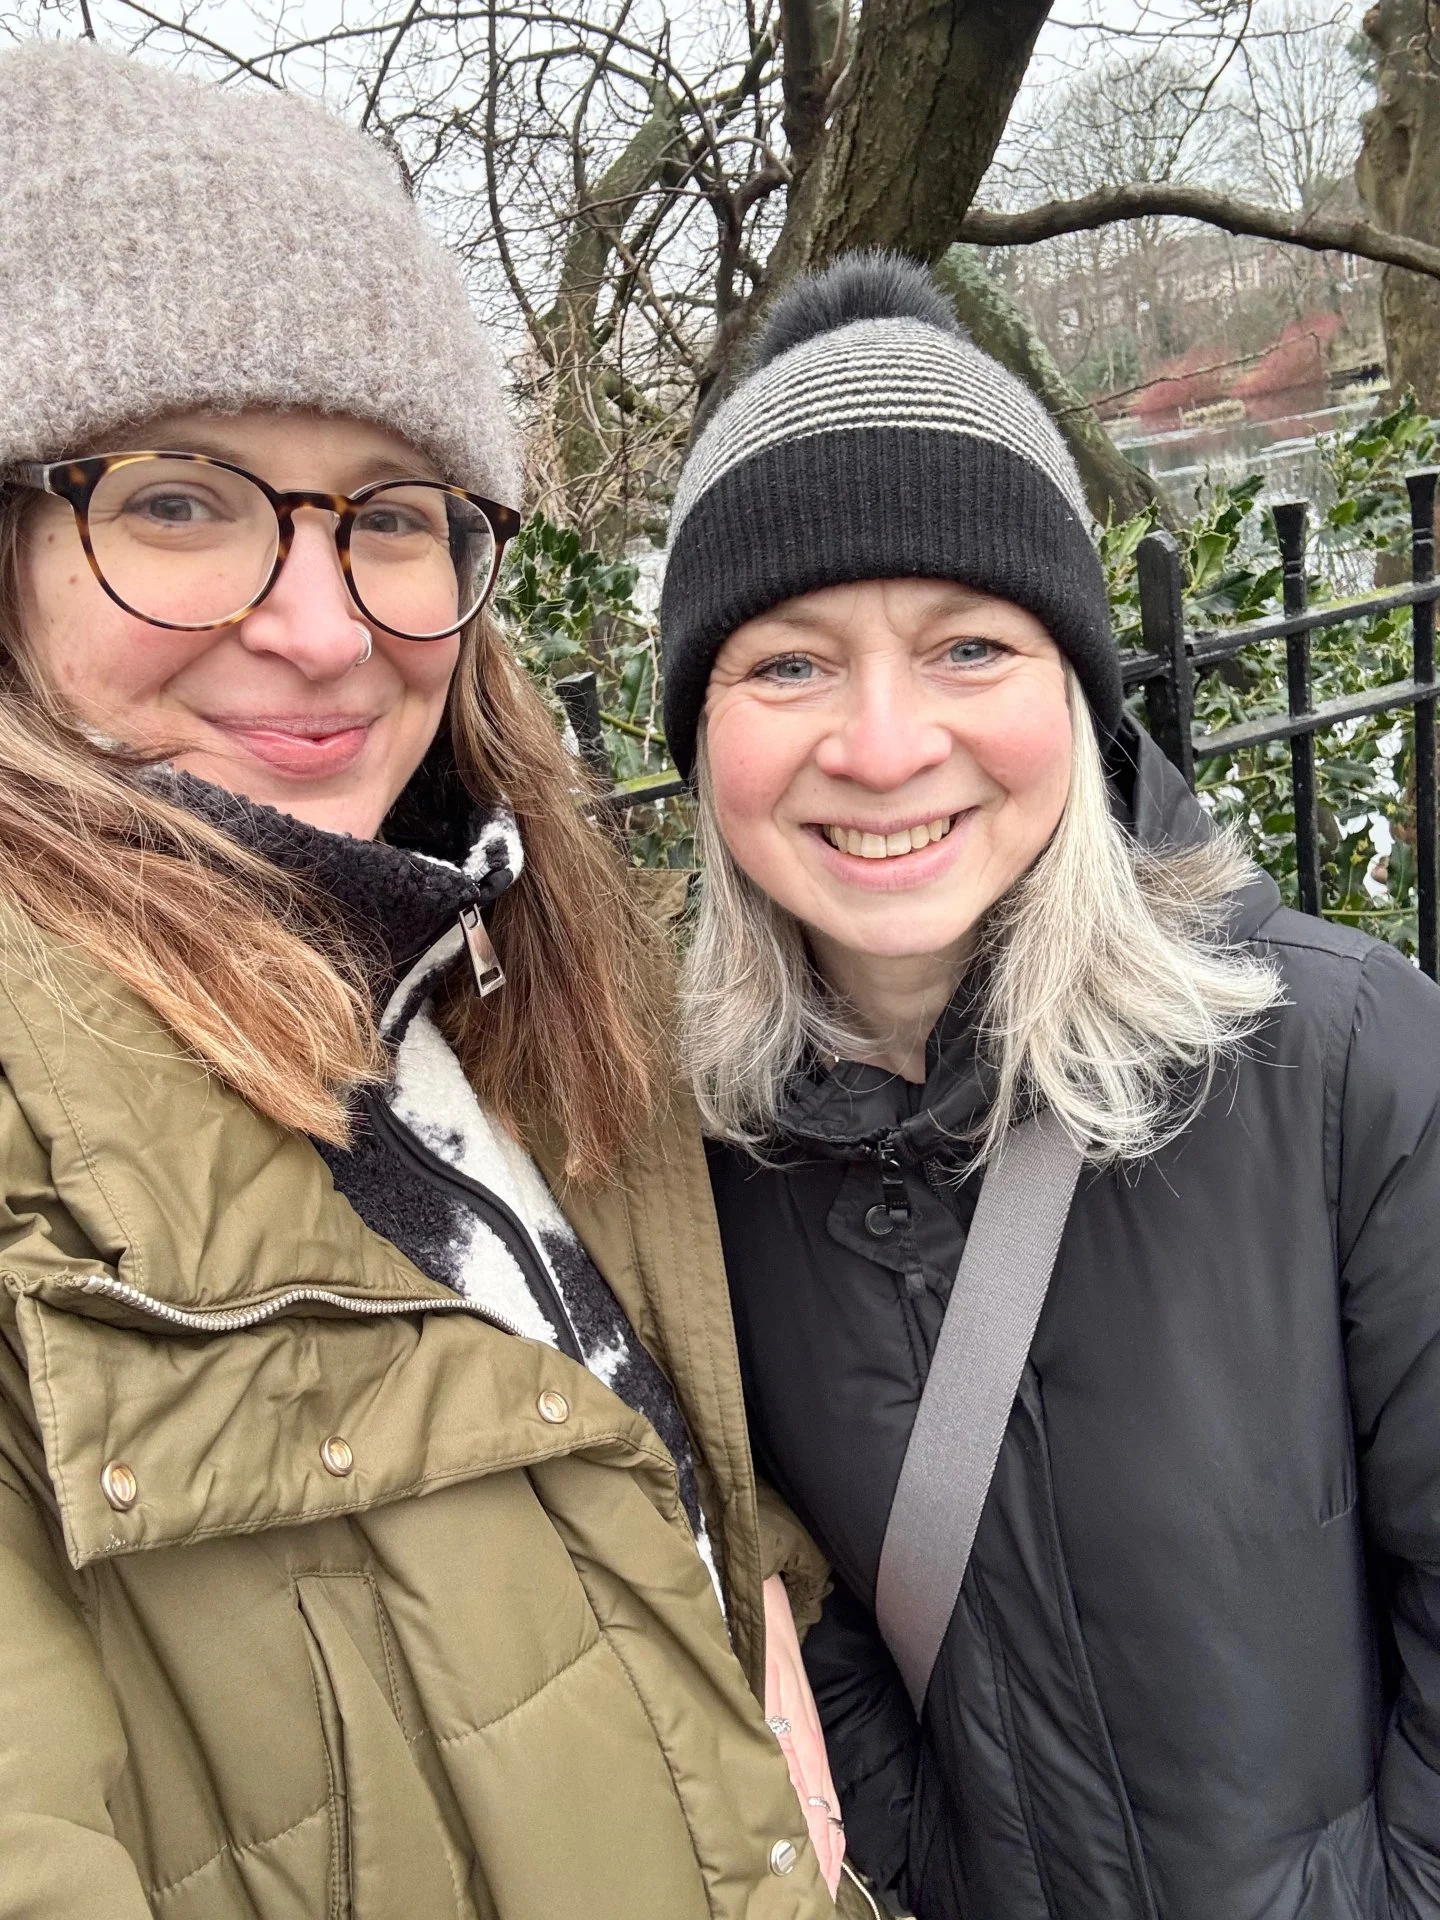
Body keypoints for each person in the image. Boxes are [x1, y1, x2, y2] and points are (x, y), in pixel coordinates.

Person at [0, 41, 848, 1918]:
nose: (317, 627)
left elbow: (603, 1437)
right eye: (176, 500)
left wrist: (749, 1605)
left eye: (392, 514)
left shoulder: (496, 966)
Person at [660, 249, 1440, 1920]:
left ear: (1077, 695)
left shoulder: (1343, 1065)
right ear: (698, 726)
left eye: (968, 648)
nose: (880, 745)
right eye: (787, 662)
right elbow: (814, 1618)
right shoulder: (688, 1166)